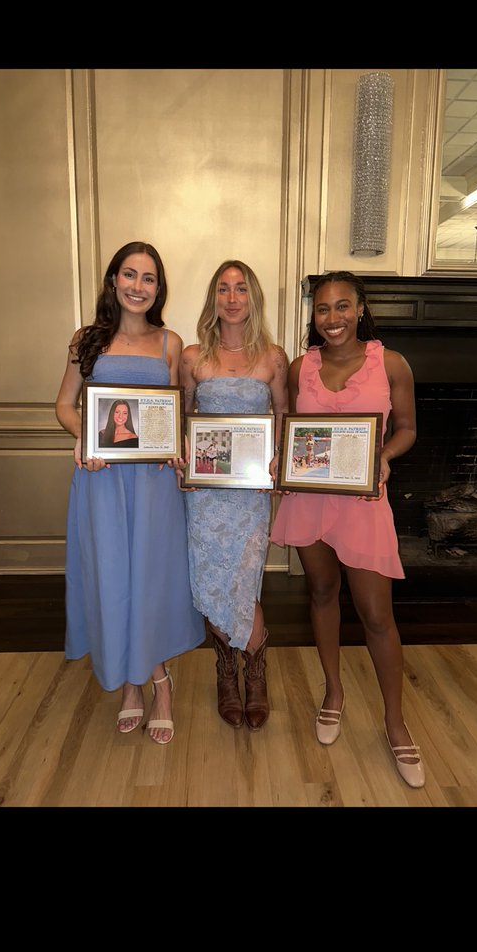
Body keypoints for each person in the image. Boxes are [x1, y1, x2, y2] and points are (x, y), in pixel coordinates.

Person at [270, 271, 425, 788]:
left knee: (377, 616)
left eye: (342, 307)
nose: (332, 318)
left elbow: (406, 429)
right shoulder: (300, 368)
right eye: (322, 309)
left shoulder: (391, 364)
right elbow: (291, 429)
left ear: (359, 309)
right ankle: (333, 691)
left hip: (362, 501)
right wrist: (280, 461)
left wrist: (382, 456)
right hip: (310, 499)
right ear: (312, 316)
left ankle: (394, 722)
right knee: (320, 593)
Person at [55, 241, 206, 743]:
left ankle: (158, 680)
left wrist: (176, 444)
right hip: (100, 480)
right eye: (129, 275)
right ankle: (130, 687)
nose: (138, 286)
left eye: (149, 278)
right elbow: (64, 406)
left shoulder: (170, 343)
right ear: (113, 280)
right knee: (110, 576)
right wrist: (83, 438)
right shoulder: (86, 339)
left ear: (158, 288)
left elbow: (175, 416)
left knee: (150, 579)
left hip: (153, 483)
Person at [179, 260, 289, 731]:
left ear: (252, 297)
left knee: (244, 582)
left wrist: (279, 459)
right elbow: (181, 418)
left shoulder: (274, 357)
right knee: (210, 582)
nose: (231, 297)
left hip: (249, 494)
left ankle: (256, 677)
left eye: (240, 288)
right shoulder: (191, 357)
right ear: (213, 298)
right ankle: (227, 674)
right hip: (205, 494)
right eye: (223, 289)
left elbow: (283, 415)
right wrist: (182, 452)